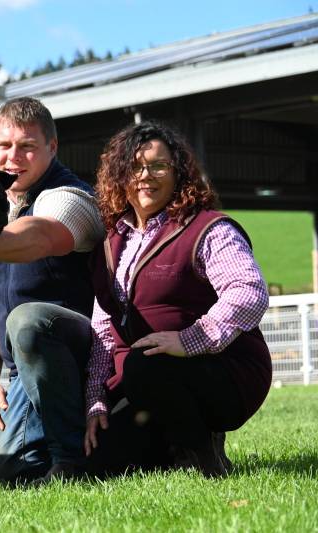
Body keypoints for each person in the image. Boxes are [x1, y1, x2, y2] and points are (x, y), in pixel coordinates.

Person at [84, 120, 272, 478]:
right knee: (97, 463)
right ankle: (173, 442)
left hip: (222, 370)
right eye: (135, 167)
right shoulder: (109, 243)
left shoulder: (208, 228)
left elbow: (248, 291)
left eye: (158, 165)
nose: (146, 176)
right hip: (143, 381)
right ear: (119, 176)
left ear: (179, 173)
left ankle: (203, 455)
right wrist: (96, 398)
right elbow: (102, 329)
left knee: (145, 362)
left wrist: (190, 339)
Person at [0, 97, 104, 483]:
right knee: (3, 473)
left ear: (52, 148)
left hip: (82, 357)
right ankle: (81, 450)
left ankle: (70, 463)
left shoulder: (72, 197)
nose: (14, 157)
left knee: (28, 320)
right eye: (5, 146)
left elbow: (40, 237)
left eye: (28, 146)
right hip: (18, 368)